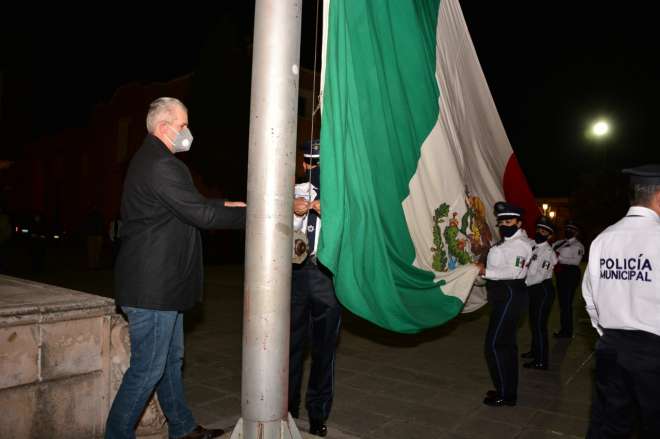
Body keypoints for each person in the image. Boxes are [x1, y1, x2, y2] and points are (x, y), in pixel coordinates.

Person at [106, 97, 246, 439]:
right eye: (183, 125)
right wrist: (255, 215)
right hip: (153, 287)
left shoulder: (150, 160)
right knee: (146, 371)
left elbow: (189, 205)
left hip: (161, 285)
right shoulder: (162, 165)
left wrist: (228, 204)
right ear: (164, 127)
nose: (188, 132)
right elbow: (202, 215)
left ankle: (182, 429)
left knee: (169, 363)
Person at [582, 164, 660, 438]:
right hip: (653, 351)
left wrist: (609, 334)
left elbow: (590, 298)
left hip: (611, 348)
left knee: (609, 426)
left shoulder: (604, 238)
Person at [289, 140, 341, 437]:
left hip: (326, 276)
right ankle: (287, 407)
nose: (313, 169)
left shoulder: (340, 194)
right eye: (310, 163)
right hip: (296, 274)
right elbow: (277, 230)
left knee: (324, 350)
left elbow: (353, 228)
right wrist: (295, 212)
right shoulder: (293, 190)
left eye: (319, 164)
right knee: (290, 346)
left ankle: (318, 414)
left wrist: (331, 213)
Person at [476, 201, 533, 407]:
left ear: (519, 222)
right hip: (503, 295)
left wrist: (486, 272)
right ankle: (507, 390)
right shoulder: (505, 243)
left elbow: (514, 272)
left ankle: (505, 394)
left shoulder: (521, 245)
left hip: (510, 294)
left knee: (495, 345)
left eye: (508, 221)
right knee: (506, 345)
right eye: (501, 222)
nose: (504, 225)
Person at [521, 216, 558, 370]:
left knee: (539, 325)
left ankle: (541, 360)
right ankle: (535, 351)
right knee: (533, 322)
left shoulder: (548, 252)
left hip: (542, 290)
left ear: (549, 235)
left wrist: (522, 284)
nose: (540, 233)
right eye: (538, 229)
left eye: (544, 231)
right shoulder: (531, 244)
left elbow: (539, 276)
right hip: (533, 288)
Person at [552, 219, 585, 338]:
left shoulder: (578, 246)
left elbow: (576, 261)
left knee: (566, 303)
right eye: (567, 228)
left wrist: (558, 258)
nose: (568, 231)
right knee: (562, 303)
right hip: (560, 273)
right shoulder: (559, 243)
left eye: (571, 229)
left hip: (570, 274)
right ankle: (565, 329)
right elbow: (551, 251)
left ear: (576, 232)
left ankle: (567, 331)